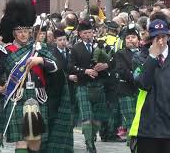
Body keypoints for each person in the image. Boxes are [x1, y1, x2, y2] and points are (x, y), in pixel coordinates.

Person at [0, 0, 58, 153]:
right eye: (20, 31)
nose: (24, 34)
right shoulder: (5, 51)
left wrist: (40, 60)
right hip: (17, 96)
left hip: (39, 95)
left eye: (26, 30)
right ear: (13, 32)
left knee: (36, 140)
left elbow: (55, 67)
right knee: (21, 139)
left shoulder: (40, 48)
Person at [129, 19, 170, 153]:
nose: (160, 41)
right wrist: (152, 57)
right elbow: (143, 84)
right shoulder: (139, 58)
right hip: (148, 126)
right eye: (156, 37)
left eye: (163, 36)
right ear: (150, 39)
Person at [68, 20, 108, 153]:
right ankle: (89, 143)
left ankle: (92, 136)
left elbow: (112, 62)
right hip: (83, 85)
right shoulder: (75, 48)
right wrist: (85, 71)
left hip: (99, 85)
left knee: (97, 118)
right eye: (85, 33)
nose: (88, 35)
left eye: (90, 32)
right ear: (80, 34)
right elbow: (70, 67)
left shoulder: (101, 45)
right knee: (86, 116)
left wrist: (105, 66)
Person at [44, 29, 73, 153]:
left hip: (69, 90)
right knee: (53, 117)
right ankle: (51, 143)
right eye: (60, 40)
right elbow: (56, 72)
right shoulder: (52, 53)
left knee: (66, 118)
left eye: (64, 40)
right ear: (55, 41)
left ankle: (64, 143)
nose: (62, 42)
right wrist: (68, 77)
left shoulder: (70, 52)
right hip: (54, 91)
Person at [114, 25, 140, 145]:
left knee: (140, 120)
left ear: (138, 40)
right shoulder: (120, 53)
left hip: (141, 91)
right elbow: (122, 71)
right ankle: (132, 146)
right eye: (128, 37)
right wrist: (138, 78)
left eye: (133, 37)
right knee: (131, 121)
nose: (130, 39)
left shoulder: (145, 53)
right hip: (126, 91)